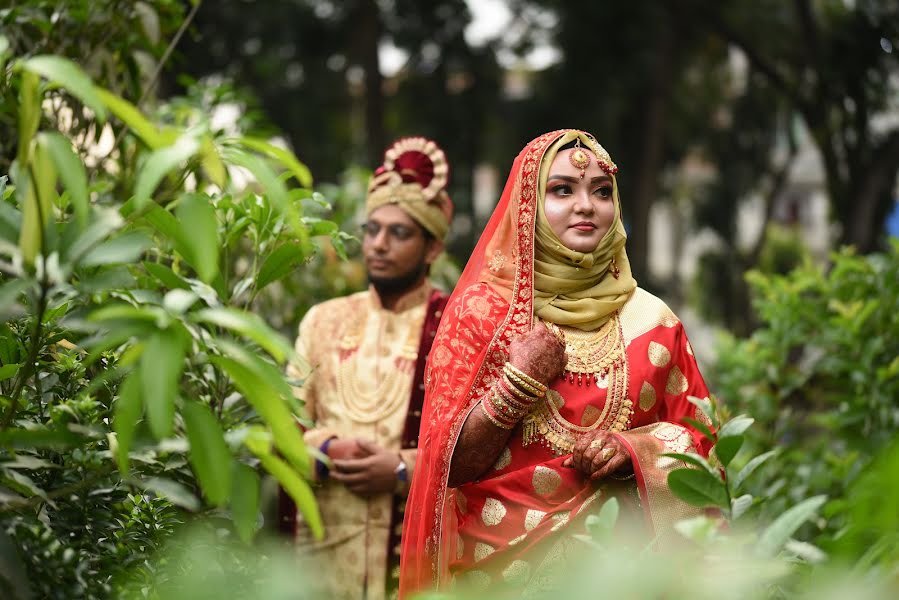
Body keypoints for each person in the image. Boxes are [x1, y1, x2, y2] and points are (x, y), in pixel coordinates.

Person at [399, 129, 716, 597]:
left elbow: (706, 446)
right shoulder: (482, 315)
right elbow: (445, 465)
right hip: (494, 580)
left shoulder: (654, 322)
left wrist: (635, 453)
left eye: (602, 191)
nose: (586, 205)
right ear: (527, 205)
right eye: (562, 189)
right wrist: (518, 383)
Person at [283, 137, 453, 600]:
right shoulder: (323, 320)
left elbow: (475, 447)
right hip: (322, 557)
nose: (378, 244)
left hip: (413, 561)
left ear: (433, 247)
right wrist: (329, 449)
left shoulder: (456, 327)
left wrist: (403, 472)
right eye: (372, 228)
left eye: (399, 233)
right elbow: (280, 427)